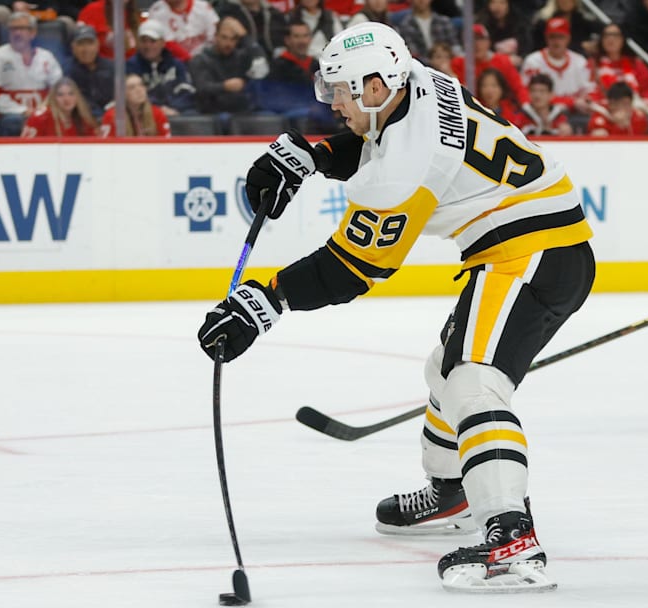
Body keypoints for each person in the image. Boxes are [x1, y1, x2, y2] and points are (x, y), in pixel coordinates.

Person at [196, 22, 594, 593]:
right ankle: (452, 490)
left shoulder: (409, 165)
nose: (332, 102)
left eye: (340, 92)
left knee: (473, 384)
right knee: (445, 370)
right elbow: (374, 142)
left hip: (530, 255)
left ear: (378, 85)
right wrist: (313, 156)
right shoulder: (417, 83)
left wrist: (266, 299)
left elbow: (353, 269)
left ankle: (511, 538)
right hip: (530, 246)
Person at [0, 12, 64, 136]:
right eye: (13, 29)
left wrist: (43, 110)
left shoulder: (46, 57)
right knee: (14, 122)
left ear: (33, 33)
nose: (17, 33)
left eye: (22, 29)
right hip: (9, 118)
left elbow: (59, 88)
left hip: (43, 114)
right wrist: (23, 111)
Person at [126, 20, 198, 116]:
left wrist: (174, 110)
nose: (148, 46)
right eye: (144, 41)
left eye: (153, 41)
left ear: (163, 43)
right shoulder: (131, 66)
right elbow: (132, 97)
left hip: (177, 111)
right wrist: (158, 110)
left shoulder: (176, 65)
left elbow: (186, 91)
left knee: (192, 115)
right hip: (145, 114)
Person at [21, 77, 99, 136]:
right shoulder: (40, 118)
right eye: (60, 95)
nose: (66, 99)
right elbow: (25, 148)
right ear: (53, 98)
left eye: (71, 94)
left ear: (77, 97)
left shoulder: (83, 119)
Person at [66, 24, 114, 120]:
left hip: (111, 118)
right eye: (81, 44)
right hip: (79, 121)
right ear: (73, 47)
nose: (86, 49)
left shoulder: (111, 67)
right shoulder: (67, 71)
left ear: (97, 45)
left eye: (90, 43)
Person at [100, 73, 171, 136]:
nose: (139, 90)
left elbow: (166, 144)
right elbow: (107, 146)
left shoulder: (157, 113)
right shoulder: (112, 116)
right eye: (132, 87)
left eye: (141, 85)